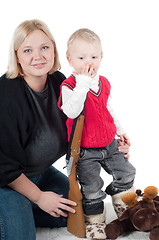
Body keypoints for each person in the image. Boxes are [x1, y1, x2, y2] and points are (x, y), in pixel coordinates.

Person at [0, 20, 130, 240]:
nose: (38, 56)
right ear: (17, 55)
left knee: (77, 214)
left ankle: (23, 210)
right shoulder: (6, 95)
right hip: (7, 180)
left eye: (44, 47)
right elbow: (3, 163)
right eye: (28, 50)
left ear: (54, 49)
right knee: (20, 235)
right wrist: (39, 197)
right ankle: (15, 210)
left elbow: (91, 123)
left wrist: (115, 144)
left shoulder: (60, 83)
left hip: (41, 174)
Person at [58, 28, 136, 240]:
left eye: (93, 57)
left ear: (101, 57)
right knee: (92, 188)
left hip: (109, 143)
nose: (88, 62)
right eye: (81, 58)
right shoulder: (69, 85)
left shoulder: (104, 82)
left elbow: (109, 109)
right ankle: (95, 222)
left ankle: (122, 206)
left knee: (127, 172)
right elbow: (72, 111)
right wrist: (83, 83)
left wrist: (121, 131)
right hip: (86, 150)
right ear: (70, 60)